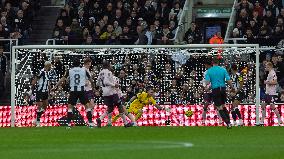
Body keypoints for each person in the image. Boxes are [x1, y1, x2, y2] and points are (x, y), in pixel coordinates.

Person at [52, 58, 94, 129]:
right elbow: (91, 80)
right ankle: (90, 123)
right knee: (87, 106)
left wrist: (55, 86)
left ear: (73, 64)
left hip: (73, 91)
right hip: (82, 90)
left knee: (70, 107)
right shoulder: (84, 70)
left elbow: (62, 79)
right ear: (79, 63)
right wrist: (93, 87)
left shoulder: (70, 71)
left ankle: (68, 124)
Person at [95, 61, 129, 128]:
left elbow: (97, 83)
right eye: (110, 64)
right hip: (111, 92)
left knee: (110, 108)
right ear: (108, 65)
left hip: (105, 92)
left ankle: (100, 119)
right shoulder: (108, 72)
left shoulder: (101, 72)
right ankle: (125, 123)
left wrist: (103, 86)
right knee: (120, 106)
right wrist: (114, 85)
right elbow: (106, 81)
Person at [205, 57, 235, 129]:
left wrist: (208, 87)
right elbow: (228, 80)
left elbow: (207, 82)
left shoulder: (209, 71)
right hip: (223, 89)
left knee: (219, 107)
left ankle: (228, 123)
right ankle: (229, 122)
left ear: (212, 62)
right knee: (224, 105)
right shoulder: (223, 69)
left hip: (215, 89)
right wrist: (232, 87)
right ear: (218, 62)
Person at [201, 60, 222, 125]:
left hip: (214, 90)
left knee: (217, 105)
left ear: (208, 65)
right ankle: (203, 120)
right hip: (207, 91)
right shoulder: (205, 72)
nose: (205, 66)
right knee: (205, 105)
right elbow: (204, 81)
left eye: (205, 65)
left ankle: (220, 120)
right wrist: (205, 87)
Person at [31, 61, 52, 127]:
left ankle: (36, 119)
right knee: (40, 106)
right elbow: (35, 79)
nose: (50, 67)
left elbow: (47, 82)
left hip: (45, 92)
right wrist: (32, 86)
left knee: (45, 106)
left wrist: (50, 90)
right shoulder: (41, 72)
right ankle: (38, 122)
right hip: (40, 91)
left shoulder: (47, 73)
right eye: (50, 66)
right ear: (47, 66)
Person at [83, 58, 95, 127]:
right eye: (90, 62)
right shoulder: (84, 70)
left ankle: (89, 120)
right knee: (90, 105)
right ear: (88, 63)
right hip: (86, 90)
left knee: (91, 106)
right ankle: (89, 120)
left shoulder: (87, 70)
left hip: (89, 89)